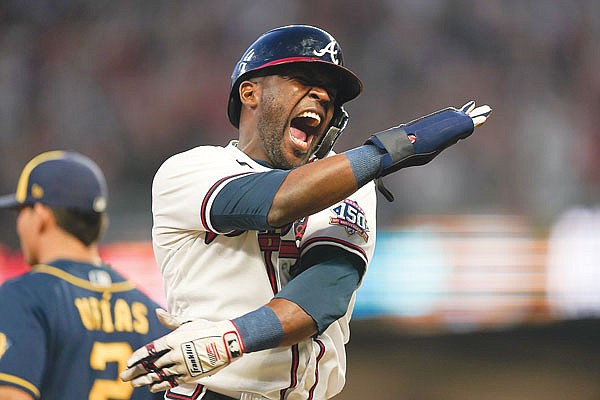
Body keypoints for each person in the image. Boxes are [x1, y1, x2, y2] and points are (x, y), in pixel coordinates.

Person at [120, 25, 491, 399]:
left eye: (331, 92)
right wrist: (387, 152)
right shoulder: (190, 170)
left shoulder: (350, 184)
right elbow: (275, 203)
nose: (323, 95)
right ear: (250, 92)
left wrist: (230, 338)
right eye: (302, 79)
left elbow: (322, 295)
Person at [0, 150, 170, 400]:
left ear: (41, 216)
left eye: (21, 211)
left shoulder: (25, 297)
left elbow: (11, 395)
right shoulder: (153, 314)